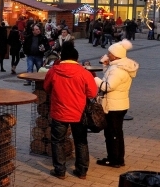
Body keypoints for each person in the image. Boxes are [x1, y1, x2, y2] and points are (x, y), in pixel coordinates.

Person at [43, 42, 97, 179]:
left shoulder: (53, 71)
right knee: (81, 141)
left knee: (57, 141)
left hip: (59, 112)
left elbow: (47, 87)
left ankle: (60, 170)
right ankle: (82, 170)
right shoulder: (84, 73)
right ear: (76, 59)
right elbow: (92, 93)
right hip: (79, 113)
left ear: (61, 58)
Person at [95, 40, 138, 168]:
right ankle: (118, 158)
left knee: (112, 133)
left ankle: (114, 159)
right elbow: (110, 76)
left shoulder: (118, 70)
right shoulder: (119, 66)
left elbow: (108, 86)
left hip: (113, 106)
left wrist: (93, 78)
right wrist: (105, 65)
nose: (107, 54)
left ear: (116, 55)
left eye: (110, 53)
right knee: (117, 132)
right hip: (120, 104)